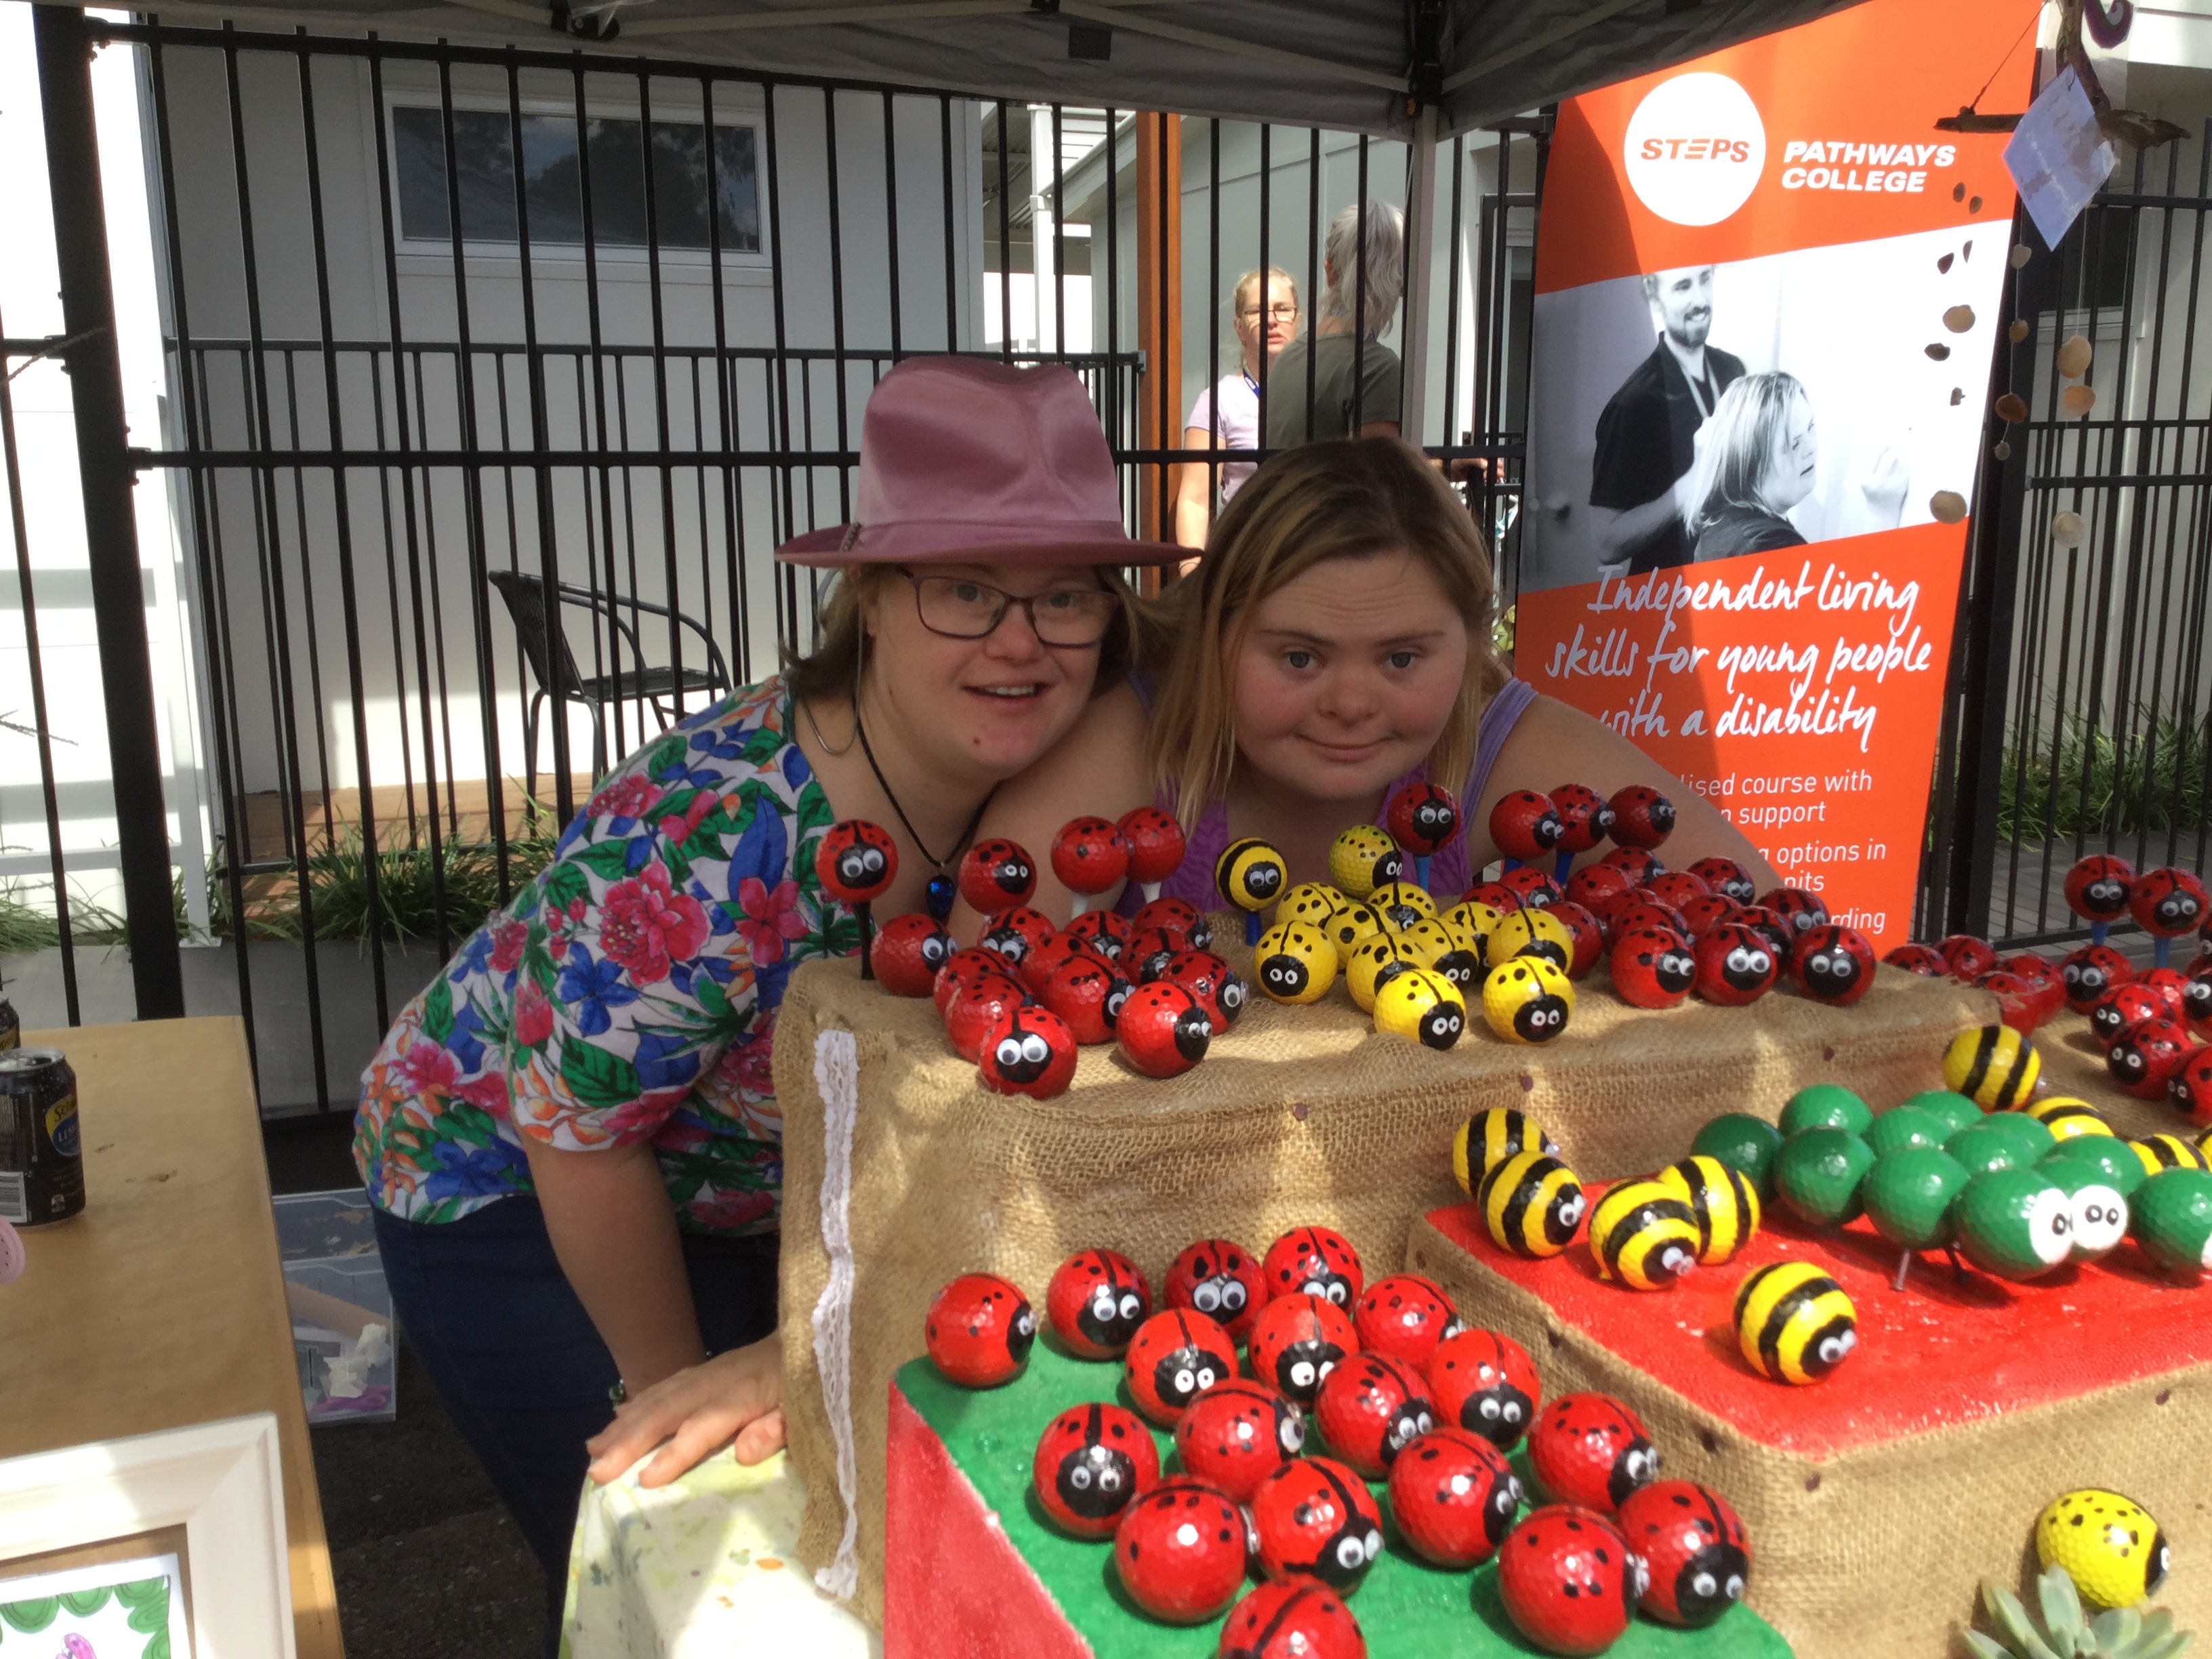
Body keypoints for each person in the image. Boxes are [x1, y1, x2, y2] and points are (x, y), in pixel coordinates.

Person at [350, 356, 1173, 1646]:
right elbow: (577, 1130)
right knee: (670, 1531)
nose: (1020, 638)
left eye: (1064, 595)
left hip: (738, 1194)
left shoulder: (1042, 752)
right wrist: (679, 1378)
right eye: (965, 589)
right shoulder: (721, 824)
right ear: (872, 598)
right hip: (504, 1187)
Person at [979, 436, 1778, 921]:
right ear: (1211, 638)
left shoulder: (1504, 745)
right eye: (1299, 657)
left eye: (1402, 659)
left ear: (1470, 646)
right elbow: (985, 974)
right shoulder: (1144, 740)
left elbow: (1763, 914)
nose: (1352, 705)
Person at [1587, 265, 1746, 576]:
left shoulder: (1733, 372)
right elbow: (1605, 545)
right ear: (1653, 294)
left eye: (1705, 280)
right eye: (1683, 287)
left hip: (1730, 585)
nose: (1700, 300)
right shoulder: (1633, 405)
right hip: (1667, 604)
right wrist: (1688, 487)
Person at [1685, 373, 1908, 561]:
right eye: (1793, 443)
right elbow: (1864, 613)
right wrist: (1881, 512)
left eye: (1810, 427)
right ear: (1751, 463)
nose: (1811, 446)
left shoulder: (1726, 521)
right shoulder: (1766, 548)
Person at [1173, 266, 1302, 550]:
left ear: (1298, 320)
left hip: (1310, 556)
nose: (1272, 320)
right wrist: (1192, 574)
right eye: (1256, 312)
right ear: (1239, 327)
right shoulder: (1219, 400)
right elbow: (1195, 500)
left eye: (1283, 309)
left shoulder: (1319, 393)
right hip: (1246, 556)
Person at [1265, 202, 1406, 448]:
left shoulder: (1289, 356)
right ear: (1400, 278)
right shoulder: (1376, 368)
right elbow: (1376, 475)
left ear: (1329, 269)